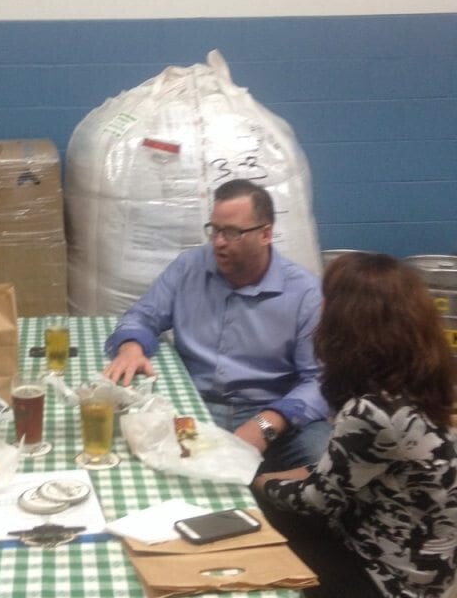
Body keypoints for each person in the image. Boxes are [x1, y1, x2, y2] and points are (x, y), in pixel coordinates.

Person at [253, 252, 457, 598]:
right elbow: (341, 471)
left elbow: (317, 500)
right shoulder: (414, 384)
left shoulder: (372, 410)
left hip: (389, 578)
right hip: (425, 566)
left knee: (261, 553)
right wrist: (283, 478)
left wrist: (256, 483)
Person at [103, 178, 330, 470]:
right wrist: (131, 347)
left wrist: (267, 423)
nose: (219, 242)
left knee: (322, 460)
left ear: (265, 234)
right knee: (133, 451)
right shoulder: (189, 268)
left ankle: (270, 504)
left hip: (270, 412)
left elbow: (320, 380)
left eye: (233, 232)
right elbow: (142, 315)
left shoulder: (306, 294)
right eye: (215, 230)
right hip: (193, 404)